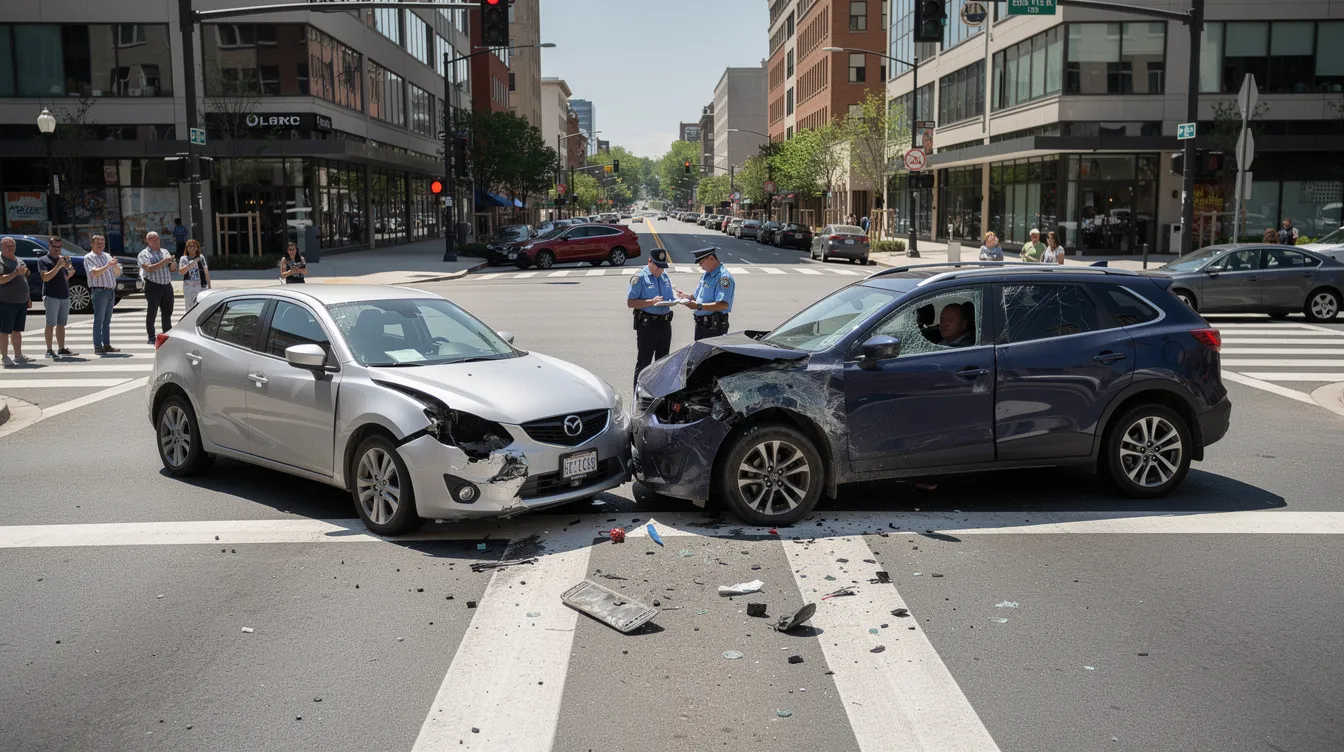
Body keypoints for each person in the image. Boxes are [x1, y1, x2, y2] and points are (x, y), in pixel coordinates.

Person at [627, 248, 675, 388]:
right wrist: (651, 302)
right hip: (648, 325)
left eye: (662, 267)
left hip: (665, 323)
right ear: (649, 261)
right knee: (644, 363)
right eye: (657, 266)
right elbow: (631, 302)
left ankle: (659, 395)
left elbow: (669, 297)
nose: (660, 270)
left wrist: (676, 300)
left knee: (663, 361)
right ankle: (639, 395)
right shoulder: (640, 277)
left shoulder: (664, 277)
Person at [674, 247, 734, 341]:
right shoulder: (706, 274)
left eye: (701, 262)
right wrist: (686, 296)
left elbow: (723, 304)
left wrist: (698, 306)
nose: (700, 266)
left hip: (714, 328)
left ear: (711, 258)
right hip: (701, 325)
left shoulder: (724, 277)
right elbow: (696, 297)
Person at [37, 236, 77, 358]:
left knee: (61, 324)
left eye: (59, 247)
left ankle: (61, 348)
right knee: (50, 323)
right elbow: (45, 277)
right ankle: (49, 350)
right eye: (55, 247)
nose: (57, 250)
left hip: (64, 294)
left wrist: (69, 266)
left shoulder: (62, 259)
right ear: (49, 246)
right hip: (51, 295)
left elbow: (68, 275)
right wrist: (58, 266)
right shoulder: (43, 260)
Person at [138, 231, 177, 345]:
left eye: (157, 239)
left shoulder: (165, 251)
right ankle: (151, 336)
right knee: (152, 312)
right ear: (148, 241)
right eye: (153, 239)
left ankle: (167, 334)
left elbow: (172, 269)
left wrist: (173, 262)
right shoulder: (144, 254)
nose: (156, 241)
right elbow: (149, 268)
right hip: (153, 285)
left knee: (167, 312)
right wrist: (164, 261)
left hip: (167, 285)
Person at [84, 235, 121, 354]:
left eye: (102, 242)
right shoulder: (89, 257)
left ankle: (106, 344)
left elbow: (117, 273)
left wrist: (115, 266)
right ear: (92, 244)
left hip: (110, 290)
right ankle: (97, 346)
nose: (100, 245)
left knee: (107, 320)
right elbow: (94, 272)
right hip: (99, 291)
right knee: (99, 320)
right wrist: (109, 265)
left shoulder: (107, 256)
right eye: (98, 243)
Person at [0, 237, 34, 367]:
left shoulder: (18, 259)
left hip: (21, 300)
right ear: (2, 247)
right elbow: (1, 280)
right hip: (6, 301)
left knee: (17, 330)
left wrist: (28, 297)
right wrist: (15, 273)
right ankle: (4, 356)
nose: (11, 248)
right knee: (4, 330)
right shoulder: (1, 261)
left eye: (13, 246)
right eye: (8, 246)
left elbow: (25, 278)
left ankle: (18, 355)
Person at [179, 239, 209, 308]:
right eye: (189, 246)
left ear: (197, 248)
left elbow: (206, 273)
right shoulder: (184, 258)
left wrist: (209, 287)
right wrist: (190, 264)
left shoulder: (201, 257)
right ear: (187, 248)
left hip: (202, 286)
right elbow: (181, 271)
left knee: (201, 308)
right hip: (189, 287)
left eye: (194, 246)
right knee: (190, 308)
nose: (192, 248)